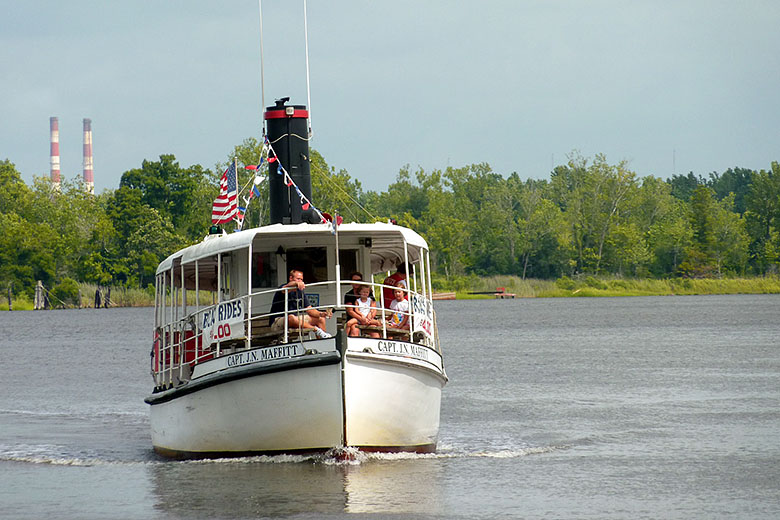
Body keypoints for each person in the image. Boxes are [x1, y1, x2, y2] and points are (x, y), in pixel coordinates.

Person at [269, 269, 332, 338]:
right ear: (290, 278)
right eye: (298, 279)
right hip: (277, 321)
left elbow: (309, 309)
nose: (300, 281)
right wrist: (296, 284)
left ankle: (323, 342)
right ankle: (316, 330)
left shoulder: (300, 291)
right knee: (291, 317)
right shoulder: (284, 288)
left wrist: (321, 314)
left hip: (295, 319)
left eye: (301, 279)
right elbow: (287, 287)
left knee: (321, 319)